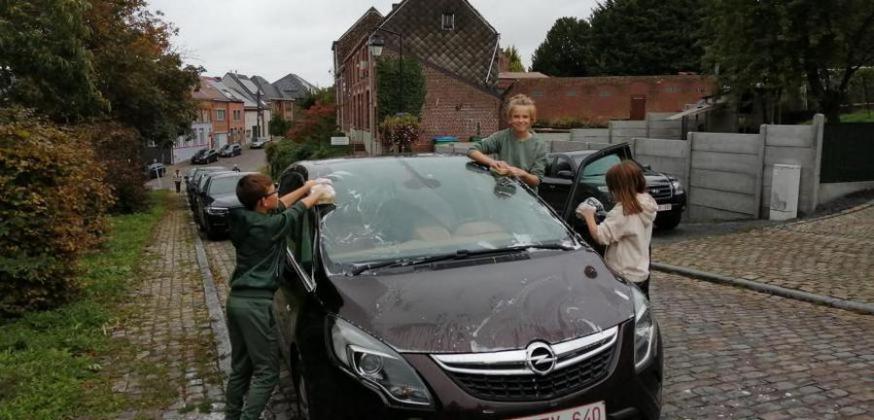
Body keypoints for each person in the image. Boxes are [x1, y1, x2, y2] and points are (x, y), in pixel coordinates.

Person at [224, 174, 326, 420]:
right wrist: (317, 195)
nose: (277, 194)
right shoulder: (267, 227)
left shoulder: (250, 219)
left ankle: (232, 416)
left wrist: (304, 188)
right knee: (267, 373)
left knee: (241, 368)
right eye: (273, 192)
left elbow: (281, 206)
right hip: (255, 306)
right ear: (262, 201)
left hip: (237, 302)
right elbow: (293, 213)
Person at [576, 161, 657, 298]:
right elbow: (623, 227)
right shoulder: (645, 203)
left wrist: (588, 215)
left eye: (612, 188)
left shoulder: (624, 211)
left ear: (619, 188)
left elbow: (600, 236)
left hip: (623, 275)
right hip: (640, 272)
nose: (611, 193)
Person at [467, 94, 548, 190]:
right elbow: (472, 151)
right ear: (510, 119)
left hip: (527, 198)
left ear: (532, 119)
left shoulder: (540, 145)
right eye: (516, 116)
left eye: (525, 117)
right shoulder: (501, 137)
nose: (521, 120)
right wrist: (493, 162)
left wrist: (523, 174)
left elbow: (536, 180)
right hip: (502, 194)